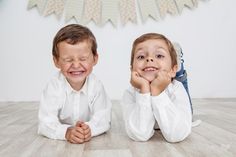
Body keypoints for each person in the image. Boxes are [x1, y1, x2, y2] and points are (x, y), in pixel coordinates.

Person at [38, 24, 112, 144]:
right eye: (68, 60)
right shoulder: (54, 86)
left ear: (94, 59)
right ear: (56, 61)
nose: (76, 65)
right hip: (65, 131)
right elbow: (45, 122)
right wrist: (66, 132)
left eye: (83, 59)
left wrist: (90, 129)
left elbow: (103, 117)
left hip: (86, 129)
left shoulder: (96, 85)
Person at [122, 33, 192, 143]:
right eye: (141, 56)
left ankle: (179, 68)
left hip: (176, 101)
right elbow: (140, 134)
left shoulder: (176, 89)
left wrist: (158, 93)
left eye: (159, 55)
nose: (149, 59)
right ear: (132, 70)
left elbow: (177, 134)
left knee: (182, 82)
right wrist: (144, 90)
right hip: (147, 89)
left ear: (172, 69)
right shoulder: (129, 93)